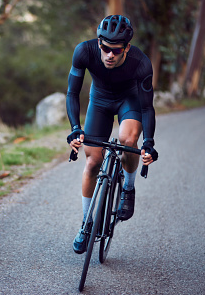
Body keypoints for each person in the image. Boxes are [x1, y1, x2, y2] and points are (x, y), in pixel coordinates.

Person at [66, 15, 158, 254]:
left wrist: (148, 142)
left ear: (126, 47)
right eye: (105, 48)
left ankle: (127, 187)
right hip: (99, 102)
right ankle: (86, 224)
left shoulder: (141, 62)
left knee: (128, 140)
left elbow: (147, 107)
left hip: (129, 101)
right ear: (99, 43)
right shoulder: (84, 51)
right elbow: (71, 93)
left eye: (116, 51)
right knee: (92, 162)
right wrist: (75, 128)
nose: (109, 55)